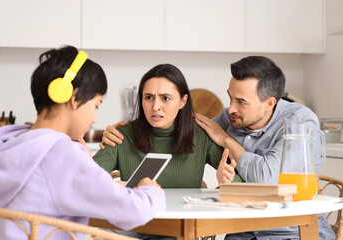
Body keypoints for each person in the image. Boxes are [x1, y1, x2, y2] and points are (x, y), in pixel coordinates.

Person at [102, 56, 335, 240]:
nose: (229, 109)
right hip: (243, 231)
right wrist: (116, 134)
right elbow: (191, 133)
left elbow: (267, 177)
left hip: (291, 229)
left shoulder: (300, 122)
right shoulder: (229, 118)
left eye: (241, 102)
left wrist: (227, 144)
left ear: (269, 103)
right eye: (148, 97)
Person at [0, 45, 165, 240]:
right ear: (74, 97)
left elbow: (48, 189)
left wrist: (88, 168)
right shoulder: (61, 155)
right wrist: (151, 189)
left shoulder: (10, 144)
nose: (94, 119)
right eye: (96, 105)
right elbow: (134, 212)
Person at [93, 63, 242, 189]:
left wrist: (225, 184)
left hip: (186, 221)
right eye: (148, 97)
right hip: (138, 221)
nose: (155, 106)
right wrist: (120, 187)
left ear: (182, 102)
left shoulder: (200, 136)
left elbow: (239, 182)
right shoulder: (120, 136)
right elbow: (83, 181)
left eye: (165, 98)